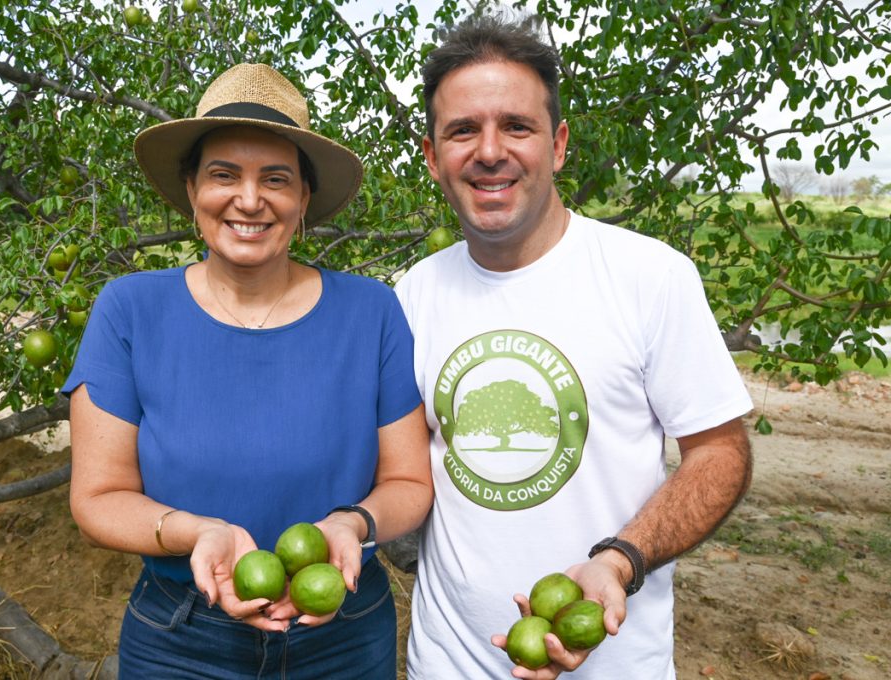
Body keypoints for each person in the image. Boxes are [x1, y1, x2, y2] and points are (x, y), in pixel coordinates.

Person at [394, 15, 753, 680]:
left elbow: (720, 452)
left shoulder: (650, 277)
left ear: (558, 144)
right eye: (463, 130)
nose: (490, 151)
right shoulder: (411, 296)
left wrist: (620, 558)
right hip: (444, 666)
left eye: (517, 127)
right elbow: (401, 475)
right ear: (432, 155)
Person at [64, 63, 432, 679]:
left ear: (304, 198)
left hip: (341, 632)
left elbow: (408, 482)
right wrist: (195, 532)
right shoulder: (129, 309)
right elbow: (98, 498)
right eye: (224, 174)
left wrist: (353, 522)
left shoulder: (371, 310)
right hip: (182, 637)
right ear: (191, 189)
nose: (250, 199)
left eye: (276, 179)